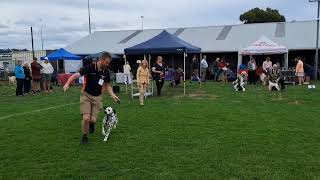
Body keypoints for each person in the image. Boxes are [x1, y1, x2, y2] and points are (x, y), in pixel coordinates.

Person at [63, 52, 120, 144]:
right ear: (101, 60)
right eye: (106, 62)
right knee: (86, 118)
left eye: (108, 63)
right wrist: (67, 83)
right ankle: (84, 136)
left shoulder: (106, 72)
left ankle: (92, 124)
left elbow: (107, 85)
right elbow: (76, 75)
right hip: (86, 95)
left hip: (97, 97)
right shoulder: (90, 67)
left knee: (93, 120)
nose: (107, 64)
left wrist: (113, 95)